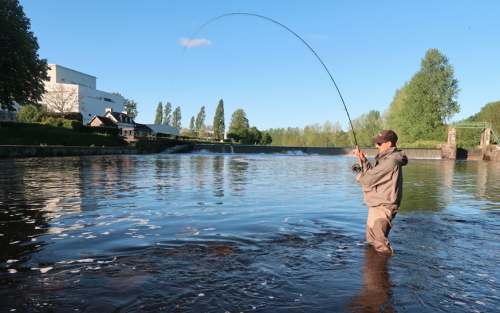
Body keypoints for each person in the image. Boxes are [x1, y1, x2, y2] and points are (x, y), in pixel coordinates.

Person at [354, 130, 408, 253]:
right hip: (377, 204)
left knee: (380, 245)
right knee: (372, 241)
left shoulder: (390, 161)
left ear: (389, 144)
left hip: (384, 207)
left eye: (379, 143)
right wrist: (363, 160)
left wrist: (361, 178)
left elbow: (368, 180)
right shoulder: (387, 159)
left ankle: (383, 271)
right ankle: (373, 270)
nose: (376, 146)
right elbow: (374, 174)